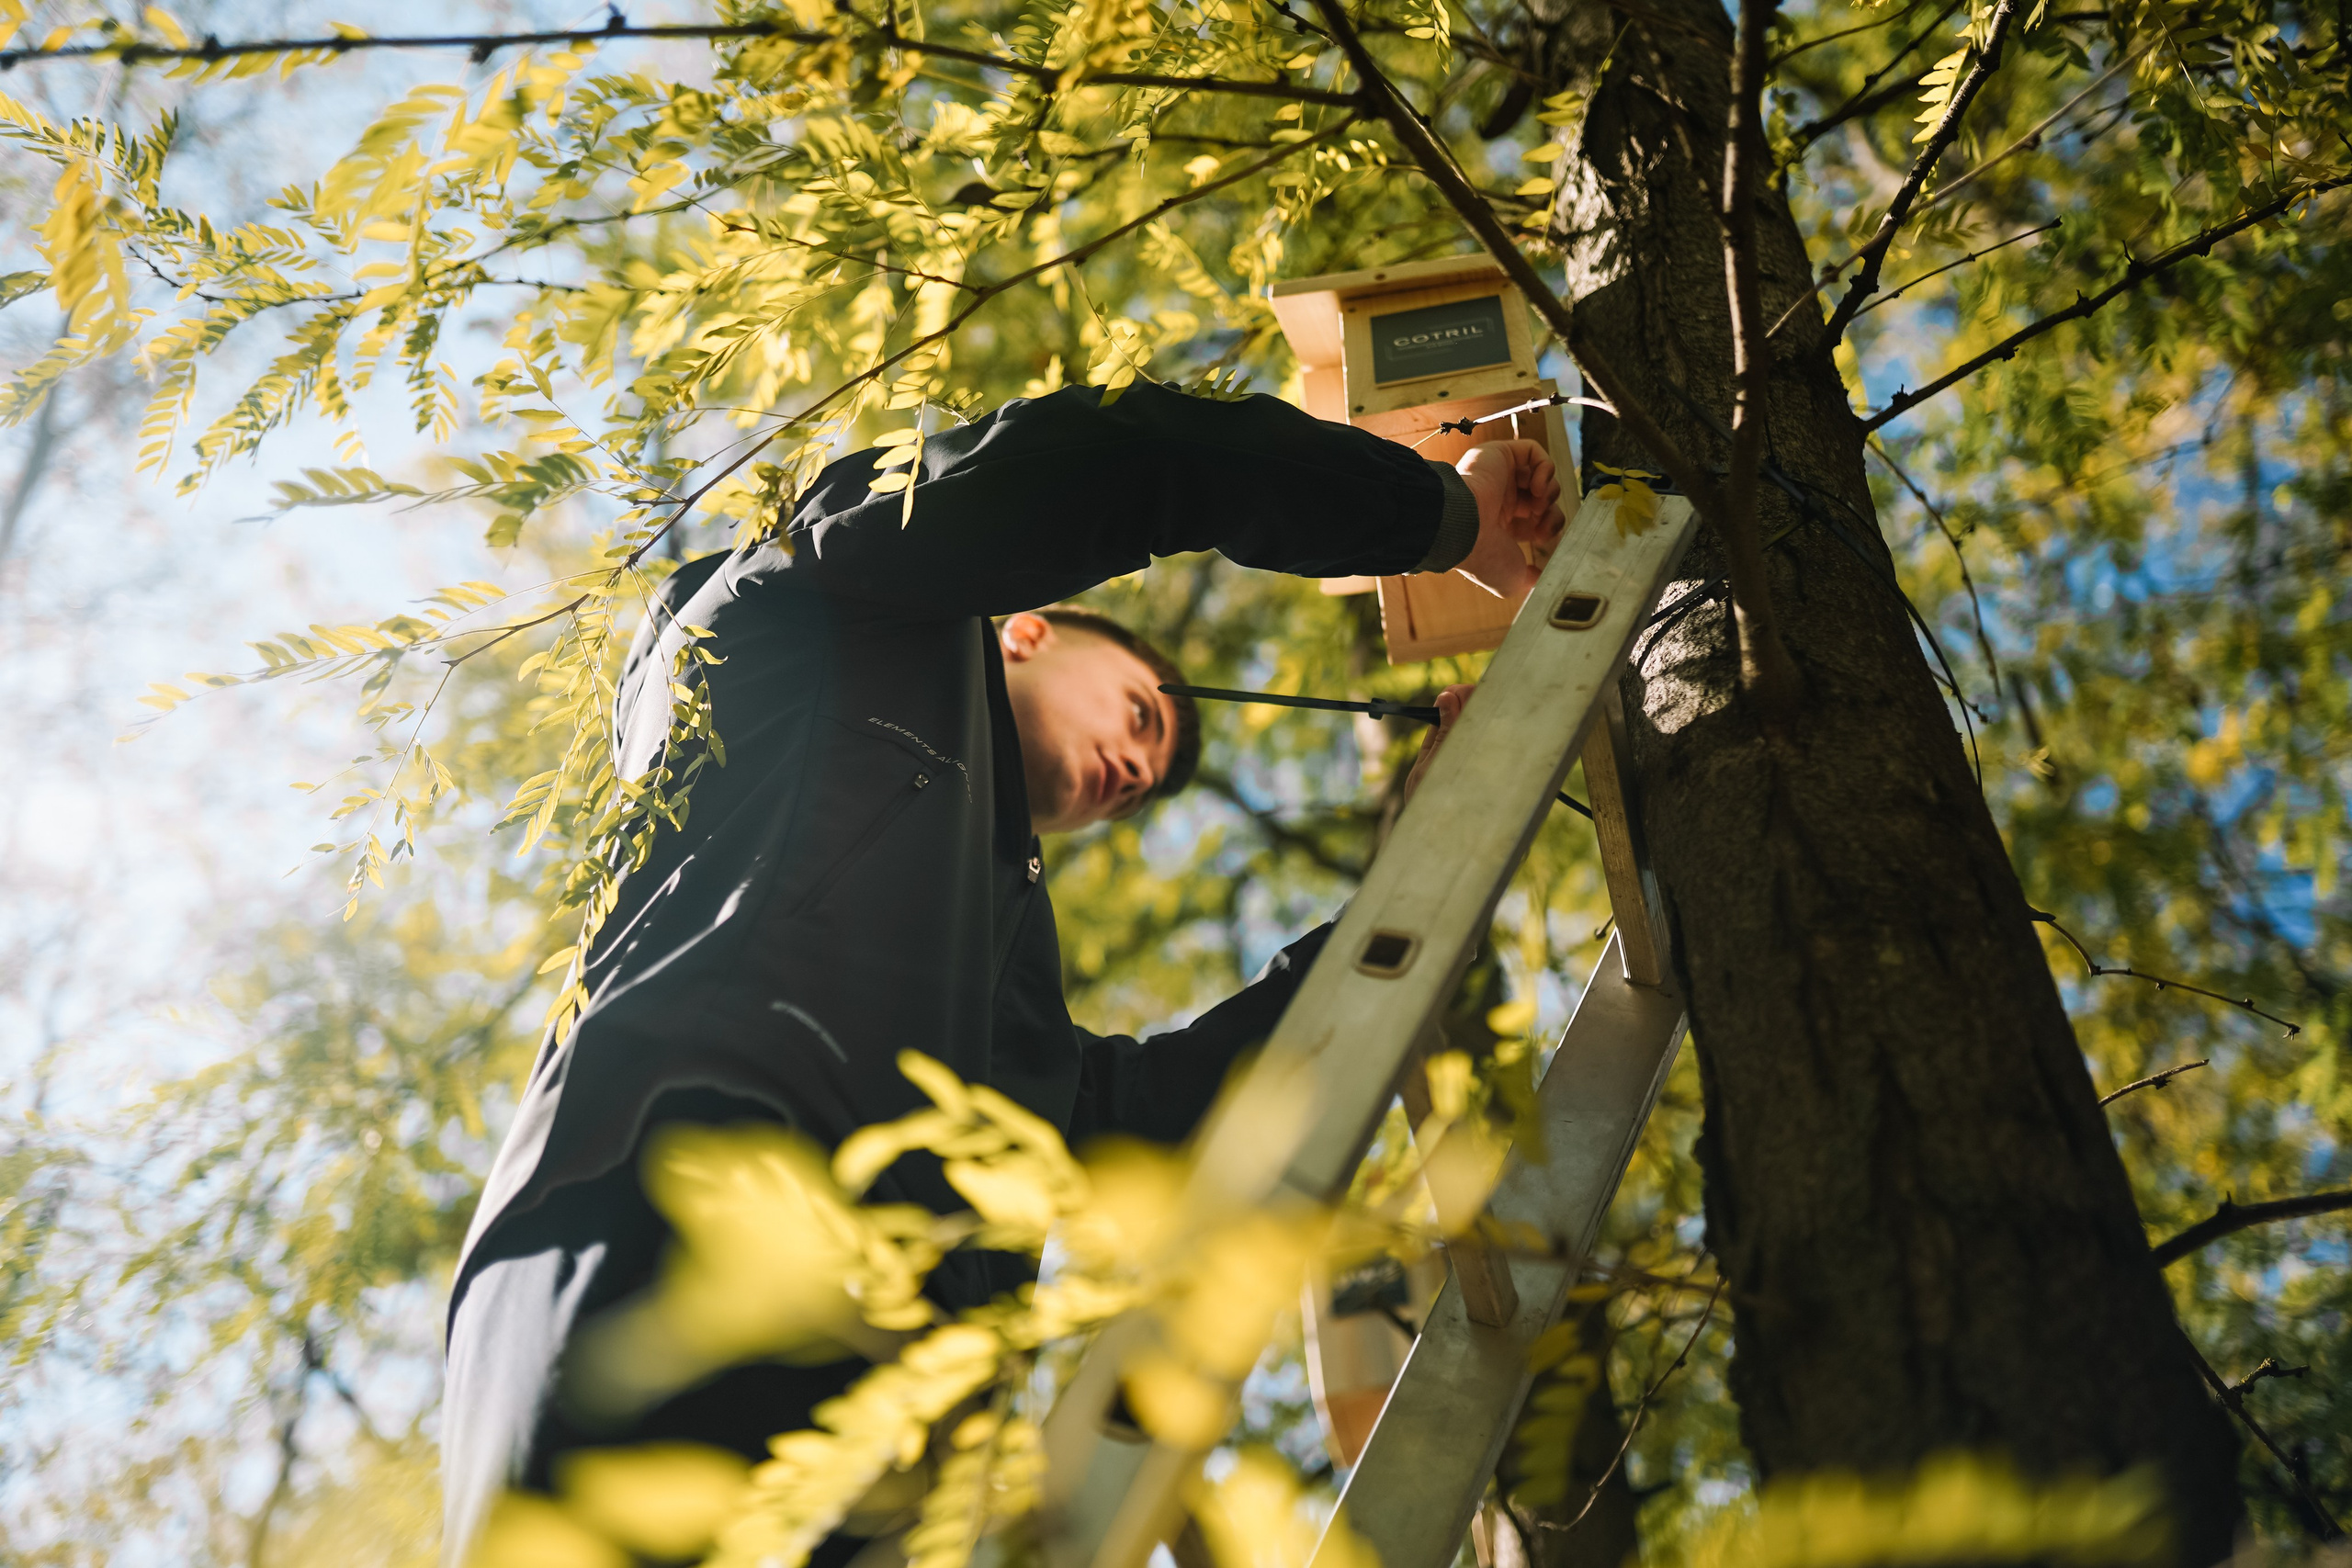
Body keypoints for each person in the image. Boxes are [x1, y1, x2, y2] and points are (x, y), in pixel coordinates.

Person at [440, 378, 1565, 1563]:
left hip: (922, 1414)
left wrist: (1434, 853)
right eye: (1140, 714)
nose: (1137, 767)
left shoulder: (988, 967)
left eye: (1150, 764)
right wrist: (1450, 521)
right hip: (671, 1204)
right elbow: (1115, 458)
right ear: (1026, 626)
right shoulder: (798, 609)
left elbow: (1136, 1129)